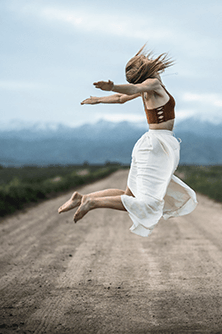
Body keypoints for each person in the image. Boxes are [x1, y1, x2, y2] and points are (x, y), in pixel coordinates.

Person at [58, 46, 197, 237]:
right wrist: (112, 86)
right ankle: (92, 202)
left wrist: (98, 99)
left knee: (130, 195)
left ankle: (82, 198)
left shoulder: (150, 87)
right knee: (147, 203)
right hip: (156, 145)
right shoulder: (153, 84)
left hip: (149, 144)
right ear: (148, 68)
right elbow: (131, 89)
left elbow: (121, 98)